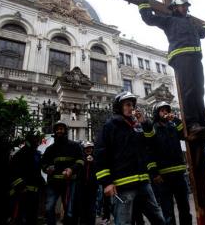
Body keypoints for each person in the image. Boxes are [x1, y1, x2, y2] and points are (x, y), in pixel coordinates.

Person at [137, 0, 205, 141]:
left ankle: (203, 123)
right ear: (174, 6)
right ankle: (192, 123)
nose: (185, 8)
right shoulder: (169, 20)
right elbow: (149, 19)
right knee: (188, 90)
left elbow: (202, 33)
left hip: (195, 59)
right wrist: (143, 4)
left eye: (186, 6)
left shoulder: (192, 24)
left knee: (199, 90)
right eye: (182, 6)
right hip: (181, 58)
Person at [95, 91, 165, 225]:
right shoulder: (110, 126)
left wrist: (145, 123)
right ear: (119, 107)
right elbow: (100, 154)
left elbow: (152, 143)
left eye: (132, 105)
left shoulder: (138, 126)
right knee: (124, 222)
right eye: (127, 104)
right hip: (123, 186)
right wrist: (106, 183)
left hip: (143, 183)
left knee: (158, 219)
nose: (131, 107)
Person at [150, 101, 192, 225]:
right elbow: (149, 151)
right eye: (162, 111)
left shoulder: (173, 125)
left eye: (166, 110)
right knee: (167, 211)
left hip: (179, 174)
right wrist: (154, 173)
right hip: (163, 176)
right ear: (157, 113)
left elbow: (184, 134)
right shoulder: (153, 128)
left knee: (184, 207)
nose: (165, 113)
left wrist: (177, 120)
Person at [41, 121, 84, 225]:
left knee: (69, 211)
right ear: (55, 131)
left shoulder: (74, 146)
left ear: (65, 131)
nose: (59, 131)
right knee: (49, 208)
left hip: (69, 183)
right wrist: (47, 168)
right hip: (53, 183)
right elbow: (43, 164)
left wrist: (71, 169)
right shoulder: (50, 149)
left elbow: (81, 161)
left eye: (61, 129)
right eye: (57, 129)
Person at [9, 131, 45, 225]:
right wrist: (20, 186)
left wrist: (43, 184)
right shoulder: (20, 154)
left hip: (35, 192)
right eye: (35, 141)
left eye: (38, 141)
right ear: (28, 142)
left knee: (32, 217)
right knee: (19, 217)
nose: (37, 143)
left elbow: (36, 172)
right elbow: (12, 173)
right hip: (22, 192)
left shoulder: (36, 154)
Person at [79, 141, 99, 225]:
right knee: (82, 206)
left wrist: (93, 162)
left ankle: (91, 222)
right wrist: (85, 161)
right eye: (87, 148)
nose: (89, 149)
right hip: (82, 186)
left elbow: (98, 169)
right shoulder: (81, 158)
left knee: (92, 206)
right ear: (84, 149)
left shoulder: (96, 158)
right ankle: (83, 222)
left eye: (90, 148)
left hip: (93, 186)